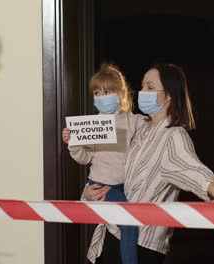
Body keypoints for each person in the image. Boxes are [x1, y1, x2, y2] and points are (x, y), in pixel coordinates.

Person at [83, 63, 214, 264]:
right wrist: (88, 193)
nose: (142, 92)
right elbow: (109, 168)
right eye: (142, 87)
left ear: (168, 95)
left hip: (142, 244)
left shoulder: (173, 135)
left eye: (150, 87)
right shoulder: (139, 131)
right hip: (110, 233)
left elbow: (191, 168)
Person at [62, 64, 145, 264]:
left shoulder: (132, 121)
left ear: (121, 93)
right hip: (100, 185)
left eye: (107, 92)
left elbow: (153, 130)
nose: (101, 96)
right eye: (97, 93)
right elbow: (83, 158)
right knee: (129, 222)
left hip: (124, 185)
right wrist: (72, 143)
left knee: (127, 225)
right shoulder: (92, 123)